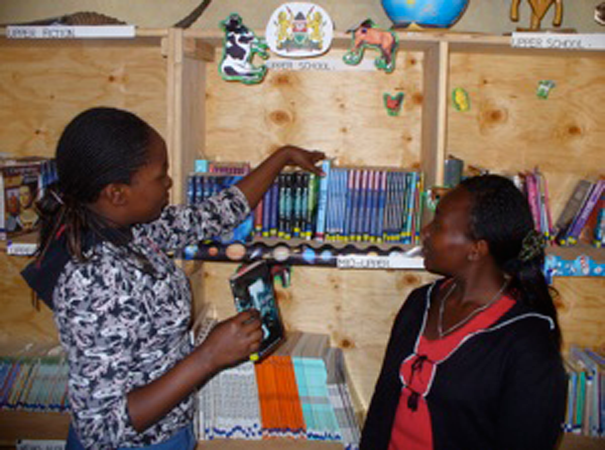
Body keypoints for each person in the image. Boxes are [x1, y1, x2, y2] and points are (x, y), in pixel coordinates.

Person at [21, 106, 325, 450]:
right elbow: (100, 428)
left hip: (171, 432)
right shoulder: (92, 278)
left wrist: (281, 157)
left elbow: (216, 214)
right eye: (160, 174)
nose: (169, 181)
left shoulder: (135, 228)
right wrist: (209, 356)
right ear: (117, 193)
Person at [360, 174, 566, 450]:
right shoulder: (420, 303)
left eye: (439, 224)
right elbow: (382, 406)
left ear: (476, 249)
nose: (426, 232)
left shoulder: (528, 344)